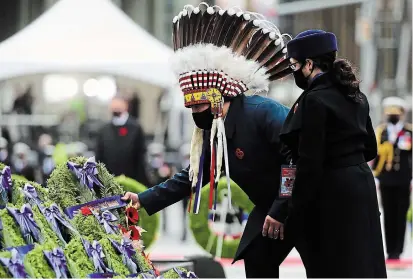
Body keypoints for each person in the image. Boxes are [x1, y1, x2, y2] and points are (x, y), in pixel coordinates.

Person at [123, 3, 296, 278]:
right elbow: (192, 177)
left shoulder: (263, 112)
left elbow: (297, 158)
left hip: (308, 200)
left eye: (198, 108)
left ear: (218, 100)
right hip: (271, 207)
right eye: (190, 109)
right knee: (257, 257)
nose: (195, 115)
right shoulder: (216, 132)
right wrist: (142, 200)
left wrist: (280, 208)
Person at [279, 29, 387, 277]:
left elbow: (310, 162)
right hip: (362, 186)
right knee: (363, 262)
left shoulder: (314, 100)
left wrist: (295, 212)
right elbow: (370, 147)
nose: (295, 71)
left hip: (333, 192)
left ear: (309, 64)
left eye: (295, 65)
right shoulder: (356, 95)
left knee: (333, 264)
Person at [372, 96, 412, 261]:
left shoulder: (409, 131)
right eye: (390, 113)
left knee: (401, 213)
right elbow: (374, 154)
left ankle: (399, 250)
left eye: (395, 113)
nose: (392, 116)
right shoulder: (381, 131)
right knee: (387, 214)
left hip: (404, 179)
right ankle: (390, 251)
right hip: (386, 179)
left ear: (402, 113)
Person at [95, 96, 149, 186]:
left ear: (126, 105)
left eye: (118, 103)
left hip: (132, 180)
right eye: (113, 104)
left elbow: (140, 156)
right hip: (109, 181)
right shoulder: (104, 130)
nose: (115, 106)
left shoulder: (135, 128)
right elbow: (99, 156)